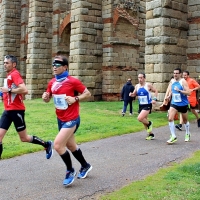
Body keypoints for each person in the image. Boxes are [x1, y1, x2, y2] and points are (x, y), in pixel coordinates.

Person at [42, 55, 92, 187]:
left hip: (72, 118)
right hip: (61, 118)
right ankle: (85, 166)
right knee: (71, 146)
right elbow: (48, 98)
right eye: (53, 65)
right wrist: (45, 97)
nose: (54, 67)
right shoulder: (52, 82)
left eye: (57, 65)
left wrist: (75, 99)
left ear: (65, 67)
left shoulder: (73, 81)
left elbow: (87, 94)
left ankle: (70, 170)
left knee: (58, 145)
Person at [0, 55, 53, 160]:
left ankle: (46, 144)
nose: (5, 65)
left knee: (24, 138)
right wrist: (3, 94)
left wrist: (8, 90)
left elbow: (24, 90)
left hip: (16, 111)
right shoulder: (9, 75)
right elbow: (9, 92)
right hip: (8, 111)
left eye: (7, 63)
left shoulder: (15, 74)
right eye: (4, 63)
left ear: (14, 64)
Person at [165, 68, 191, 144]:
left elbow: (188, 93)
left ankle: (187, 133)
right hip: (174, 103)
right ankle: (173, 136)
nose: (175, 75)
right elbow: (171, 90)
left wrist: (180, 91)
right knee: (170, 118)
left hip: (183, 103)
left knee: (185, 120)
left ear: (180, 74)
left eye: (177, 73)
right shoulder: (172, 81)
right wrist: (169, 96)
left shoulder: (183, 81)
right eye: (174, 73)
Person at [129, 73, 158, 140]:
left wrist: (154, 99)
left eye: (141, 78)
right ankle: (151, 134)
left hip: (147, 104)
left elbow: (156, 91)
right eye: (139, 78)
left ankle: (150, 123)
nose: (140, 79)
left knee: (140, 118)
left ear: (144, 78)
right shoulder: (137, 86)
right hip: (141, 105)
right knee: (144, 121)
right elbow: (134, 94)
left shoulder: (148, 85)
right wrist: (131, 94)